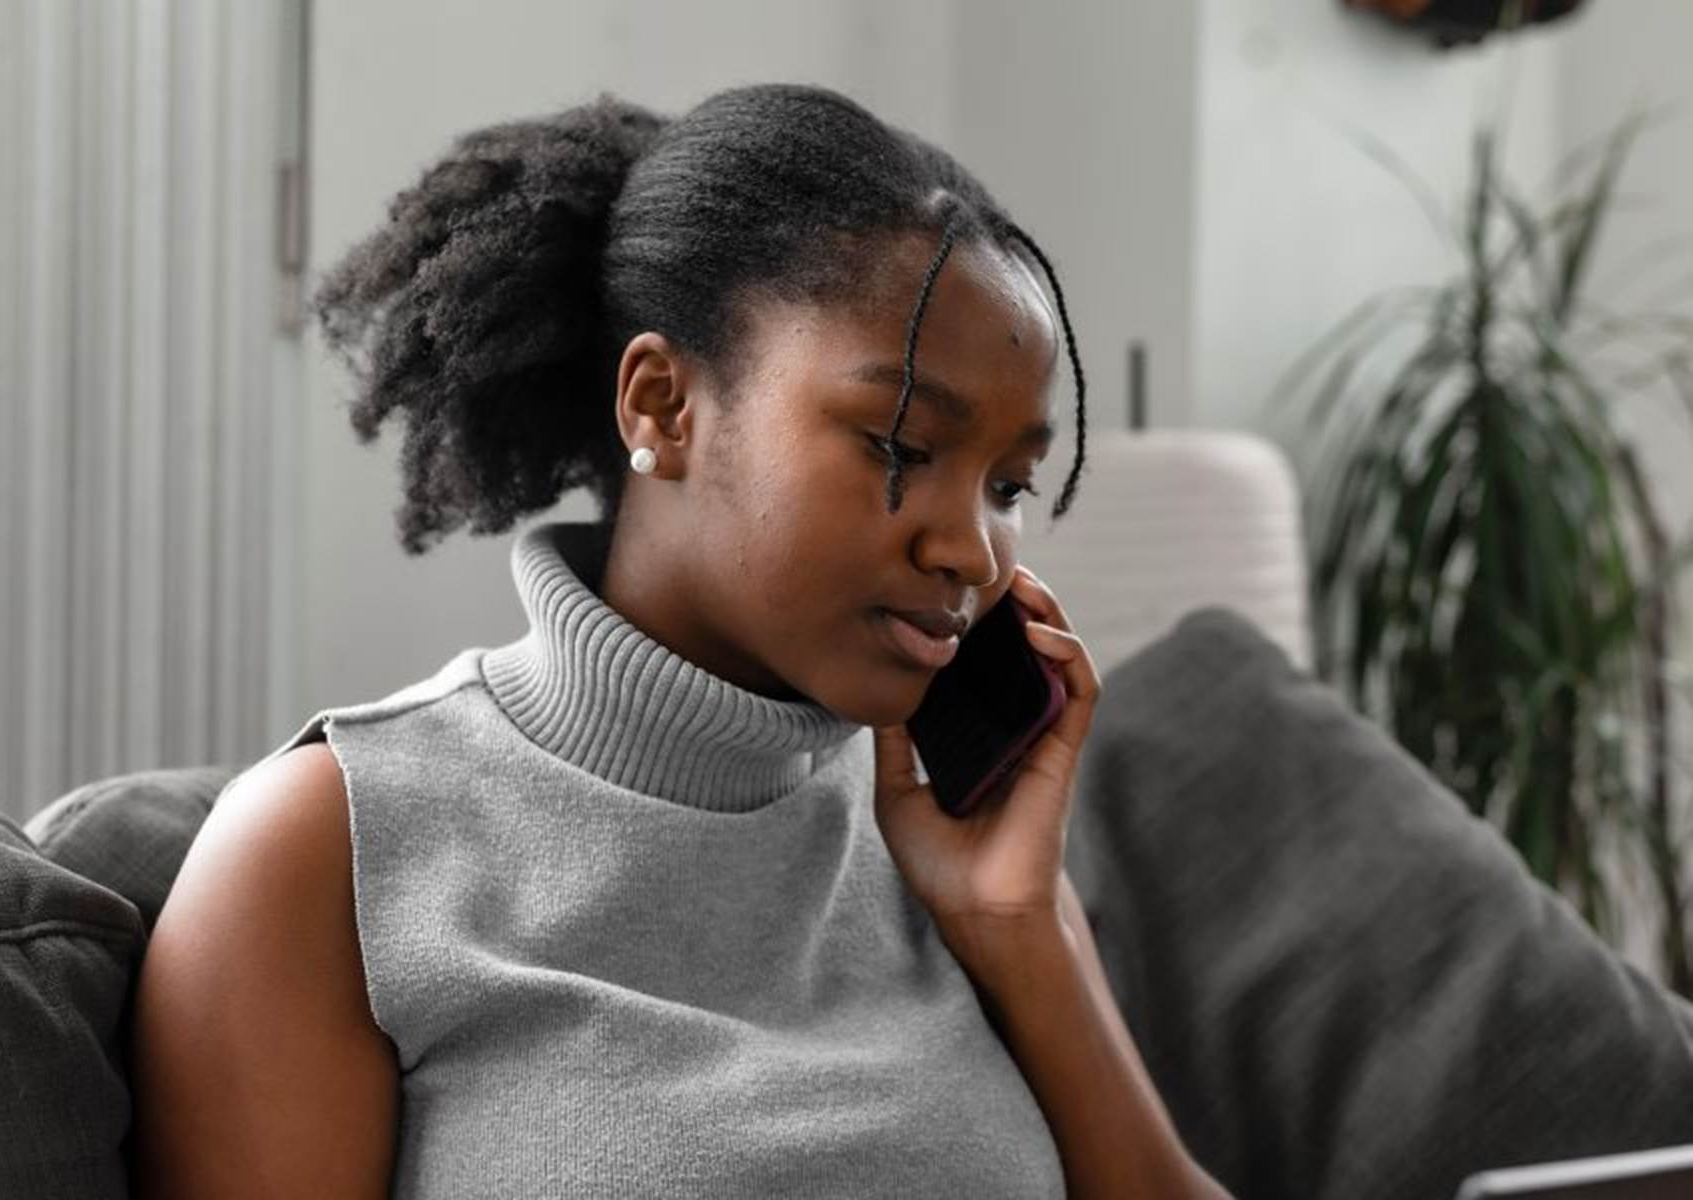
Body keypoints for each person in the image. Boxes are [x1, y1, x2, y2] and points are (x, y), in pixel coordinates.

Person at [127, 81, 1231, 1199]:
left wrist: (1020, 933)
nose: (974, 551)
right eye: (902, 445)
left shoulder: (955, 843)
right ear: (661, 405)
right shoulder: (328, 855)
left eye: (1009, 483)